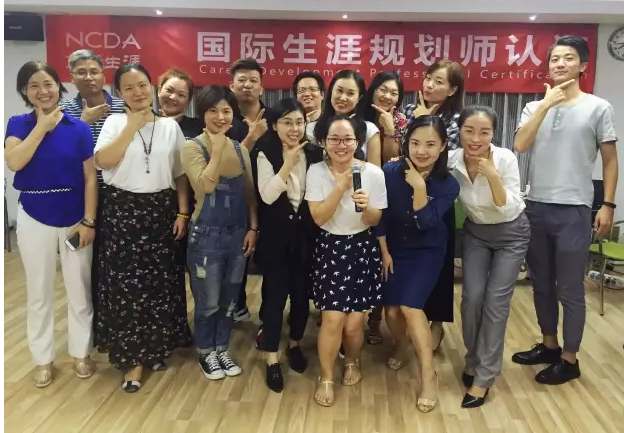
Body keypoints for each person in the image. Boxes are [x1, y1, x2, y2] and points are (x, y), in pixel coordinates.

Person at [512, 35, 618, 385]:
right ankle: (549, 345)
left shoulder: (598, 107)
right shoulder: (533, 107)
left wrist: (608, 204)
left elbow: (610, 159)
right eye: (554, 58)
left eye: (568, 58)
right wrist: (546, 105)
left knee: (570, 288)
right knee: (541, 284)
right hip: (536, 206)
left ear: (583, 66)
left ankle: (570, 359)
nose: (559, 63)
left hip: (574, 209)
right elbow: (519, 144)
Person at [94, 63, 192, 392]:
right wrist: (131, 127)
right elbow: (103, 162)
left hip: (161, 212)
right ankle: (133, 359)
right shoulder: (113, 122)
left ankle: (155, 348)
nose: (137, 92)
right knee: (126, 288)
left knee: (159, 284)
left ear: (152, 86)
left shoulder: (169, 127)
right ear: (119, 93)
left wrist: (183, 213)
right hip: (122, 213)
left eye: (142, 85)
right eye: (128, 87)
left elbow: (179, 173)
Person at [5, 61, 97, 387]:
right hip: (34, 214)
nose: (42, 91)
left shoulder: (78, 128)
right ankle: (43, 358)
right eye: (34, 85)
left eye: (48, 84)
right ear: (24, 91)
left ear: (59, 86)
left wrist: (89, 221)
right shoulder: (17, 124)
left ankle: (81, 352)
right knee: (39, 291)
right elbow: (15, 162)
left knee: (79, 289)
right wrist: (42, 127)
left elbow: (90, 178)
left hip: (74, 217)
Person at [449, 106, 530, 408]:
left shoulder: (505, 158)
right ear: (459, 131)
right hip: (477, 233)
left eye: (484, 132)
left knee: (496, 302)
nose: (475, 139)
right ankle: (473, 360)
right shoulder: (452, 160)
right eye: (469, 130)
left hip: (512, 233)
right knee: (471, 298)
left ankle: (484, 377)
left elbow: (505, 205)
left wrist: (493, 176)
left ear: (493, 134)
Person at [306, 114, 387, 407]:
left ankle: (352, 360)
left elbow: (375, 219)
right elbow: (318, 218)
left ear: (358, 142)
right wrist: (340, 187)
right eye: (334, 139)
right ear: (324, 142)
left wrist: (367, 208)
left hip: (363, 248)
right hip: (331, 247)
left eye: (348, 139)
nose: (341, 145)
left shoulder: (374, 173)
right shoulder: (316, 171)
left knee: (354, 325)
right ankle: (326, 376)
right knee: (333, 319)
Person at [379, 116, 459, 414]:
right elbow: (382, 214)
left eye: (430, 144)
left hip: (427, 250)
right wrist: (384, 251)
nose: (421, 151)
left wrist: (420, 188)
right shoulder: (390, 171)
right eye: (415, 143)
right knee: (390, 311)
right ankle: (402, 344)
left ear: (443, 146)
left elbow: (426, 222)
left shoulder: (448, 184)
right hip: (394, 248)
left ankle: (428, 376)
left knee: (411, 308)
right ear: (406, 143)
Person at [182, 85, 258, 381]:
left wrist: (253, 228)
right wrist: (216, 149)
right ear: (202, 114)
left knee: (229, 301)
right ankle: (206, 351)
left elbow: (249, 194)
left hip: (236, 235)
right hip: (206, 237)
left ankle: (221, 347)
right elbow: (206, 185)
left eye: (226, 111)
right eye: (212, 110)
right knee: (208, 301)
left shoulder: (240, 150)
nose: (220, 116)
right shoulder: (192, 147)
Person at [253, 98, 323, 392]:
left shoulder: (315, 153)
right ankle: (271, 357)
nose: (294, 128)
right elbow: (267, 196)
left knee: (301, 296)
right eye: (287, 122)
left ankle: (294, 344)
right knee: (274, 298)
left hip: (306, 236)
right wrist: (287, 165)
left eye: (299, 122)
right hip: (276, 237)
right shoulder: (265, 151)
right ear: (274, 125)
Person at [60, 49, 125, 341]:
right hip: (80, 198)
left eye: (94, 71)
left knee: (115, 265)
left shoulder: (123, 105)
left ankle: (114, 324)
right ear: (71, 76)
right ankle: (91, 330)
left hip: (119, 196)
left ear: (103, 74)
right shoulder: (62, 109)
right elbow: (56, 152)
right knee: (83, 267)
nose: (88, 77)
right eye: (81, 72)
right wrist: (82, 123)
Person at [404, 60, 465, 351]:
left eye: (438, 81)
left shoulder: (457, 120)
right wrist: (416, 122)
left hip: (439, 195)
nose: (429, 84)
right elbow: (404, 152)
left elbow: (446, 159)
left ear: (452, 90)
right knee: (410, 264)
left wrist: (427, 122)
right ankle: (409, 324)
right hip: (406, 194)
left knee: (439, 267)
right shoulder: (409, 110)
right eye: (428, 78)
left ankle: (437, 322)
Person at [227, 58, 278, 323]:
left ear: (262, 87)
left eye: (253, 81)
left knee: (271, 261)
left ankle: (270, 317)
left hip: (271, 200)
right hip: (235, 201)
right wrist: (252, 136)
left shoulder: (275, 119)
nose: (247, 85)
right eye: (242, 80)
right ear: (232, 85)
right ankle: (237, 307)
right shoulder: (224, 118)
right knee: (237, 259)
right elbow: (226, 164)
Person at [362, 70, 409, 344]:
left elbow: (391, 165)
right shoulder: (359, 116)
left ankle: (374, 319)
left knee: (383, 256)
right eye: (383, 89)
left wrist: (390, 130)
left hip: (387, 197)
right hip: (354, 193)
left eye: (394, 92)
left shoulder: (401, 121)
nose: (387, 96)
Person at [311, 70, 382, 167]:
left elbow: (375, 172)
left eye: (350, 93)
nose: (343, 98)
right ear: (331, 91)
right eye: (339, 91)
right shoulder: (312, 129)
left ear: (359, 98)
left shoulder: (370, 130)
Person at [157, 68, 203, 139]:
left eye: (181, 95)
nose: (173, 97)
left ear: (188, 101)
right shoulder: (145, 122)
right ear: (159, 91)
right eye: (169, 90)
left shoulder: (198, 127)